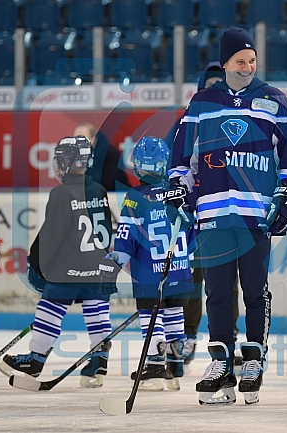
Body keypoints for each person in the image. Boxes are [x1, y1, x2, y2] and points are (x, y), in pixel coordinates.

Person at [165, 26, 287, 405]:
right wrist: (179, 188)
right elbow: (181, 161)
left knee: (255, 290)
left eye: (252, 61)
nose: (247, 67)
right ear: (224, 63)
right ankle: (221, 362)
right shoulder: (202, 103)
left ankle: (254, 360)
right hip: (212, 215)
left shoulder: (274, 100)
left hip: (256, 216)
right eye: (240, 61)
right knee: (217, 292)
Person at [0, 136, 117, 388]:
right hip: (97, 268)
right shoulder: (100, 190)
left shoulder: (61, 193)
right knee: (97, 311)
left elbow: (50, 235)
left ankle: (35, 359)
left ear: (64, 163)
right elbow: (107, 231)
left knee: (50, 308)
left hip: (67, 271)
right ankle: (99, 362)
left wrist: (36, 264)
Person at [163, 62, 244, 367]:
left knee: (227, 275)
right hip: (193, 216)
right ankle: (187, 336)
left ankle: (229, 337)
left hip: (224, 212)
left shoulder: (237, 116)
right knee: (193, 278)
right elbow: (173, 164)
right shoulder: (189, 119)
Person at [106, 136, 196, 391]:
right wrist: (185, 261)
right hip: (179, 272)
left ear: (137, 166)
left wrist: (112, 267)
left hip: (148, 275)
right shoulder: (180, 194)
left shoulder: (135, 197)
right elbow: (193, 234)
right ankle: (175, 368)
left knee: (151, 317)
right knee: (174, 315)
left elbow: (126, 239)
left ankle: (155, 366)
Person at [73, 122, 129, 192]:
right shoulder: (76, 156)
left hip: (116, 194)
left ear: (93, 140)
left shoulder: (109, 155)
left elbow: (109, 182)